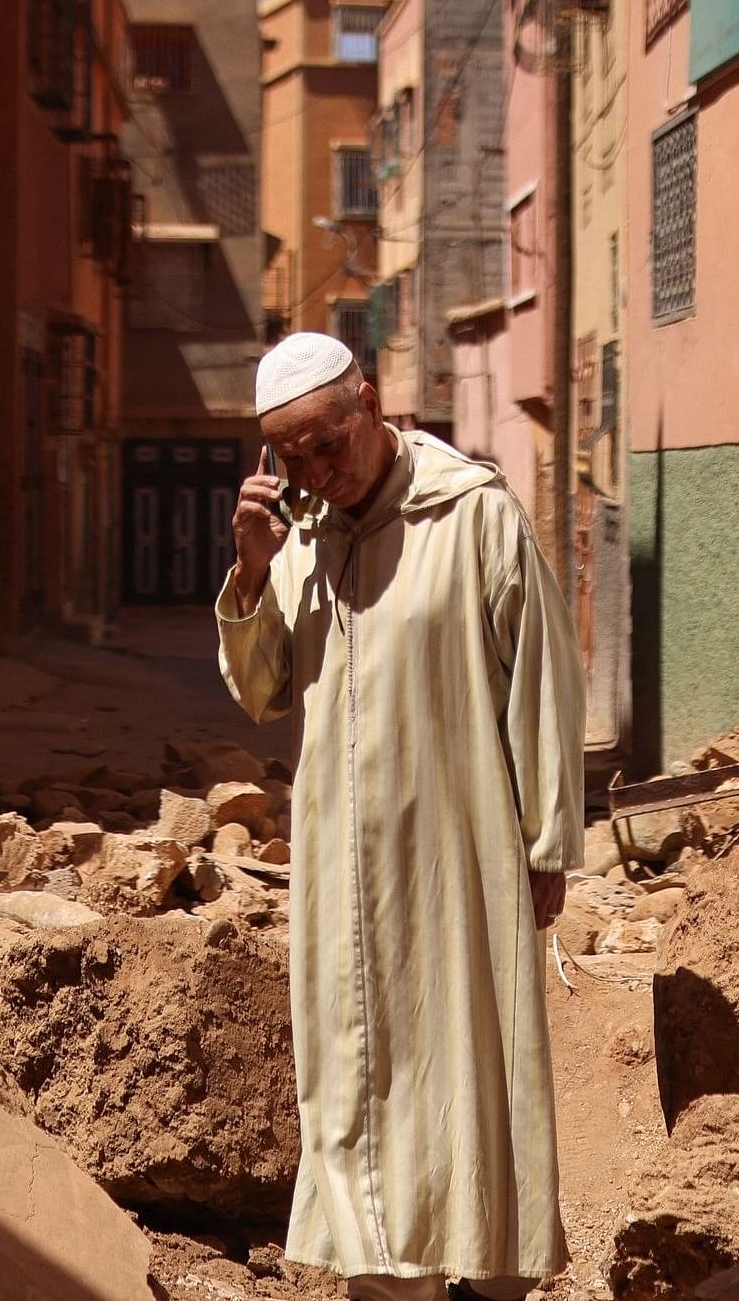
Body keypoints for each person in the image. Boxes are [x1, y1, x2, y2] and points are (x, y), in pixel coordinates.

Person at [215, 331, 583, 1301]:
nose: (315, 473)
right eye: (290, 459)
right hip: (341, 866)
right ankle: (386, 1281)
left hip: (461, 856)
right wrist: (253, 573)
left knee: (473, 1061)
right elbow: (262, 690)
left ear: (369, 405)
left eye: (326, 446)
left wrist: (547, 843)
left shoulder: (473, 516)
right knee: (355, 1070)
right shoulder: (305, 541)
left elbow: (540, 680)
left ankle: (491, 1272)